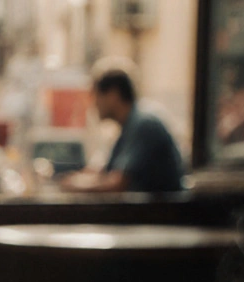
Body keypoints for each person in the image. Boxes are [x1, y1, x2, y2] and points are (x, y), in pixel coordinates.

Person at [62, 63, 185, 194]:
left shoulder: (144, 123)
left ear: (112, 95)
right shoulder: (130, 125)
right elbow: (104, 171)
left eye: (96, 96)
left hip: (162, 212)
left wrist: (74, 186)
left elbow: (117, 184)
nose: (94, 104)